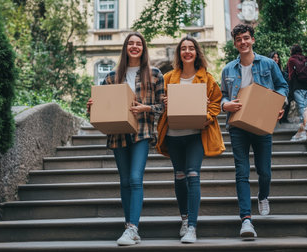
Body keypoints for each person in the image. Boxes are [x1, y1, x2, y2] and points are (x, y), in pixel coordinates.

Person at [86, 32, 165, 246]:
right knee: (124, 181)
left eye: (138, 43)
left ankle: (132, 228)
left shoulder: (155, 74)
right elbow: (103, 108)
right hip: (118, 133)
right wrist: (92, 107)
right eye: (131, 43)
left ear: (143, 48)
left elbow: (164, 106)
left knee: (134, 178)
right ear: (125, 48)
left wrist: (146, 107)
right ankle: (130, 226)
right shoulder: (112, 76)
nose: (134, 46)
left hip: (142, 131)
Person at [220, 24, 288, 240]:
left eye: (246, 38)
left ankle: (263, 196)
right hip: (238, 126)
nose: (243, 42)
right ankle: (246, 219)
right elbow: (221, 95)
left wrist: (280, 105)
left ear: (253, 40)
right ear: (235, 43)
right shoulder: (228, 69)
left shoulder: (268, 64)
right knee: (241, 171)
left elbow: (283, 86)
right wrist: (225, 105)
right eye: (239, 39)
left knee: (264, 171)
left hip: (260, 122)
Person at [156, 36, 225, 243]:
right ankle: (184, 219)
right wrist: (165, 101)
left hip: (196, 135)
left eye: (191, 48)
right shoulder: (168, 77)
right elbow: (158, 103)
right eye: (183, 48)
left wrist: (207, 117)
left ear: (197, 53)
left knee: (193, 175)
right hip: (174, 135)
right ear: (179, 53)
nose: (187, 51)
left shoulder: (207, 78)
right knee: (179, 176)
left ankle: (192, 227)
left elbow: (216, 103)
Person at [286, 44, 307, 141]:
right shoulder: (306, 59)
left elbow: (291, 76)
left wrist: (290, 90)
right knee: (305, 110)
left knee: (302, 110)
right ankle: (301, 134)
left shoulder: (291, 60)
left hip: (298, 87)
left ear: (292, 51)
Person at [268, 51, 291, 124]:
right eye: (274, 57)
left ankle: (282, 118)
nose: (276, 59)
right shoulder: (267, 68)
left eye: (277, 57)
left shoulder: (281, 70)